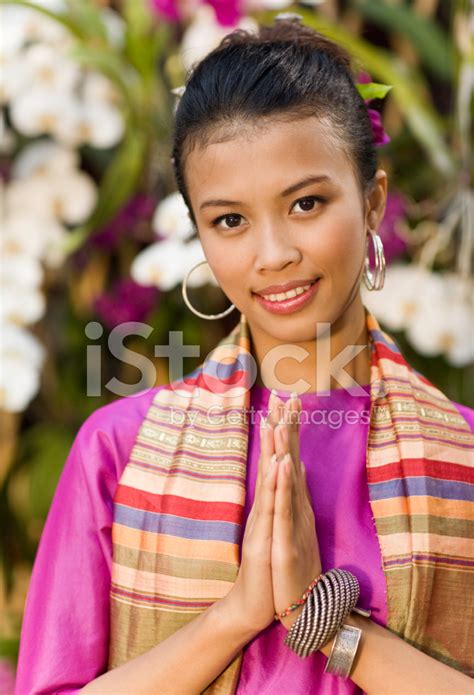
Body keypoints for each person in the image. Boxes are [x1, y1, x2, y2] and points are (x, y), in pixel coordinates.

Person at [14, 15, 474, 695]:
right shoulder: (117, 451)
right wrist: (236, 614)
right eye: (230, 220)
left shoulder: (462, 457)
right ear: (199, 232)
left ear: (373, 202)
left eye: (307, 203)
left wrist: (327, 625)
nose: (273, 254)